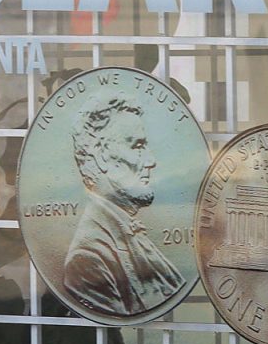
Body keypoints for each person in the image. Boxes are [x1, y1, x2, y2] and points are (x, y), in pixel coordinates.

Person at [63, 94, 183, 318]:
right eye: (137, 146)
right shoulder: (87, 260)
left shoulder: (126, 230)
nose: (151, 161)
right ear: (101, 156)